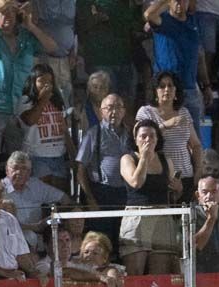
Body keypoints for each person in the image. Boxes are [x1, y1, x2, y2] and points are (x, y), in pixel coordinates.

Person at [0, 0, 49, 153]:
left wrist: (31, 25)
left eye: (12, 11)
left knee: (16, 159)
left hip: (19, 106)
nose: (8, 15)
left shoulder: (25, 36)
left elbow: (52, 47)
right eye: (3, 12)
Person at [118, 119, 183, 276]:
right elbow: (136, 182)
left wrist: (178, 188)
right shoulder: (128, 159)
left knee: (161, 275)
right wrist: (144, 159)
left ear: (158, 138)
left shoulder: (166, 160)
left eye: (152, 136)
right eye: (143, 136)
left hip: (162, 216)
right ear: (136, 139)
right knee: (135, 272)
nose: (148, 140)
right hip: (138, 216)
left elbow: (174, 195)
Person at [3, 62, 71, 191]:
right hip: (37, 156)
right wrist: (43, 100)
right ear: (33, 82)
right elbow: (30, 120)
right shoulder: (25, 101)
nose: (46, 85)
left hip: (59, 155)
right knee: (41, 196)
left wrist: (73, 155)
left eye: (50, 81)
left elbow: (64, 130)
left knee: (59, 195)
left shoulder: (58, 101)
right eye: (41, 81)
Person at [76, 94, 132, 247]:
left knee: (123, 238)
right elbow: (80, 169)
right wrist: (90, 198)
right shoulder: (93, 134)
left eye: (118, 107)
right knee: (101, 240)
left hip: (125, 193)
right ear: (101, 112)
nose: (114, 112)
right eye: (109, 108)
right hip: (101, 193)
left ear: (124, 111)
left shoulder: (130, 134)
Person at [144, 0, 209, 130]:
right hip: (166, 89)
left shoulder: (194, 22)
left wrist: (206, 85)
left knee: (194, 136)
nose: (180, 2)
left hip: (189, 88)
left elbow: (200, 56)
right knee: (165, 134)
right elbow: (148, 14)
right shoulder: (163, 20)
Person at [135, 71, 202, 198]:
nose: (167, 89)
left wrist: (198, 171)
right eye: (162, 86)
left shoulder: (184, 112)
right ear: (155, 91)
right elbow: (140, 138)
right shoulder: (146, 112)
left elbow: (196, 145)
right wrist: (166, 125)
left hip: (186, 174)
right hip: (162, 175)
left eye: (170, 86)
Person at [0, 172, 42, 279]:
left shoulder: (9, 219)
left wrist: (34, 271)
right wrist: (3, 272)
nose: (2, 195)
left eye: (2, 190)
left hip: (12, 277)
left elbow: (21, 254)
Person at [3, 150, 69, 252]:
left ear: (29, 172)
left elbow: (64, 198)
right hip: (10, 240)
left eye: (24, 168)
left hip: (37, 240)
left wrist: (60, 217)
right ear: (7, 170)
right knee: (29, 236)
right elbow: (3, 224)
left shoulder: (36, 185)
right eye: (15, 168)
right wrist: (35, 227)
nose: (19, 172)